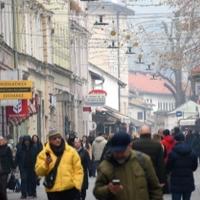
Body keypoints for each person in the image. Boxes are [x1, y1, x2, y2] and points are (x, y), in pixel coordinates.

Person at [93, 132, 163, 200]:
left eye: (122, 151)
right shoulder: (105, 166)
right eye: (116, 152)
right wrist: (108, 189)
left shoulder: (143, 160)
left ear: (130, 146)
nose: (119, 155)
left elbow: (155, 189)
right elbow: (97, 192)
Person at [35, 129, 83, 200]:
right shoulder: (44, 153)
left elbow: (78, 170)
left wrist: (77, 185)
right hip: (53, 191)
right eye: (54, 138)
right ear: (50, 140)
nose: (57, 140)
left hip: (70, 190)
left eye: (59, 137)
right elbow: (39, 172)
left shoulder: (71, 151)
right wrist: (46, 164)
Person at [167, 133, 198, 200]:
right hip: (188, 181)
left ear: (175, 141)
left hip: (175, 182)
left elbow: (168, 167)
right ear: (184, 139)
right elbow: (194, 167)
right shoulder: (192, 152)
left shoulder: (172, 153)